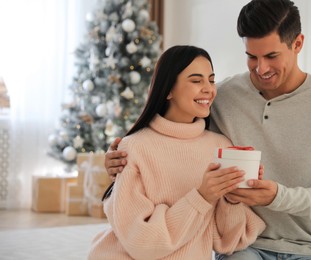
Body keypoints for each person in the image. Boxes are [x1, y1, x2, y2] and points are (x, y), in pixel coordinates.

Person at [105, 0, 311, 259]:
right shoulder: (223, 96)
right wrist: (122, 156)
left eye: (271, 56)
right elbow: (176, 132)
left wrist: (277, 197)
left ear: (298, 44)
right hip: (242, 243)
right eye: (251, 56)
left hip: (308, 247)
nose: (261, 69)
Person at [88, 45, 266, 260]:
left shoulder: (220, 147)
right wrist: (201, 197)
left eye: (211, 80)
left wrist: (232, 198)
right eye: (196, 80)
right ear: (169, 89)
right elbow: (141, 243)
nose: (209, 89)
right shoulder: (134, 147)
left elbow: (229, 242)